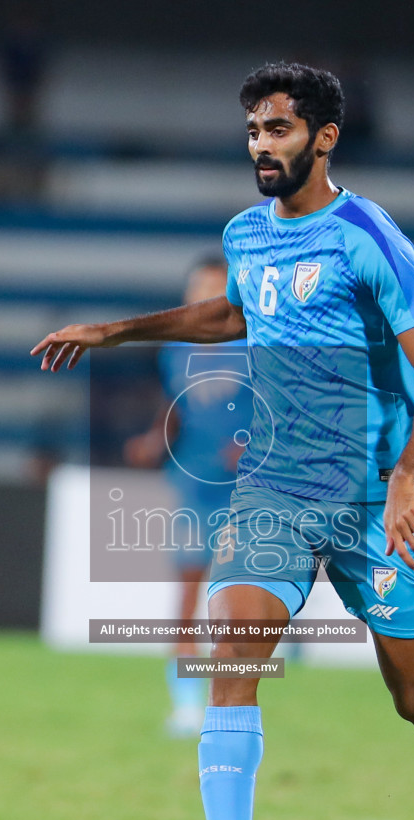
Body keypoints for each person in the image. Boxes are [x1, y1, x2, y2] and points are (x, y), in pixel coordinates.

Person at [34, 62, 414, 820]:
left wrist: (403, 483)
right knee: (230, 648)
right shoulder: (246, 234)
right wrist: (115, 331)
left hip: (370, 503)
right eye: (252, 131)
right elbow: (229, 316)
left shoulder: (368, 236)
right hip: (274, 491)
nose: (261, 147)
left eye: (277, 130)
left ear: (323, 137)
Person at [123, 255, 252, 737]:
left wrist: (252, 444)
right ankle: (185, 706)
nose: (200, 298)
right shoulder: (176, 350)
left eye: (212, 290)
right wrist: (156, 438)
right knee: (187, 599)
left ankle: (232, 708)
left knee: (236, 609)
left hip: (246, 493)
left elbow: (281, 409)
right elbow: (174, 405)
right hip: (194, 483)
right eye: (195, 289)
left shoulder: (255, 344)